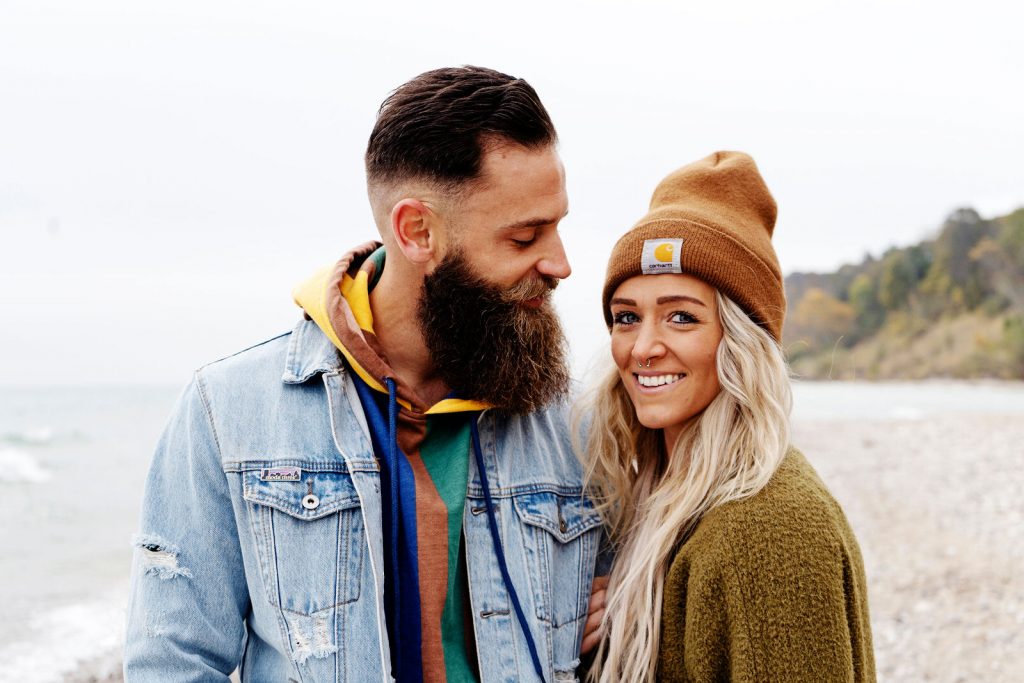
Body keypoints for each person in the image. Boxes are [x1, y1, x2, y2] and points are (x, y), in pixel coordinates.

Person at [124, 66, 603, 683]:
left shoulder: (577, 422)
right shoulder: (227, 412)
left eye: (558, 225)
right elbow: (173, 664)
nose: (560, 264)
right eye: (524, 237)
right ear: (417, 231)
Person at [577, 151, 875, 682]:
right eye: (626, 317)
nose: (643, 348)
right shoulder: (656, 501)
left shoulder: (771, 529)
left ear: (739, 341)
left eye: (681, 317)